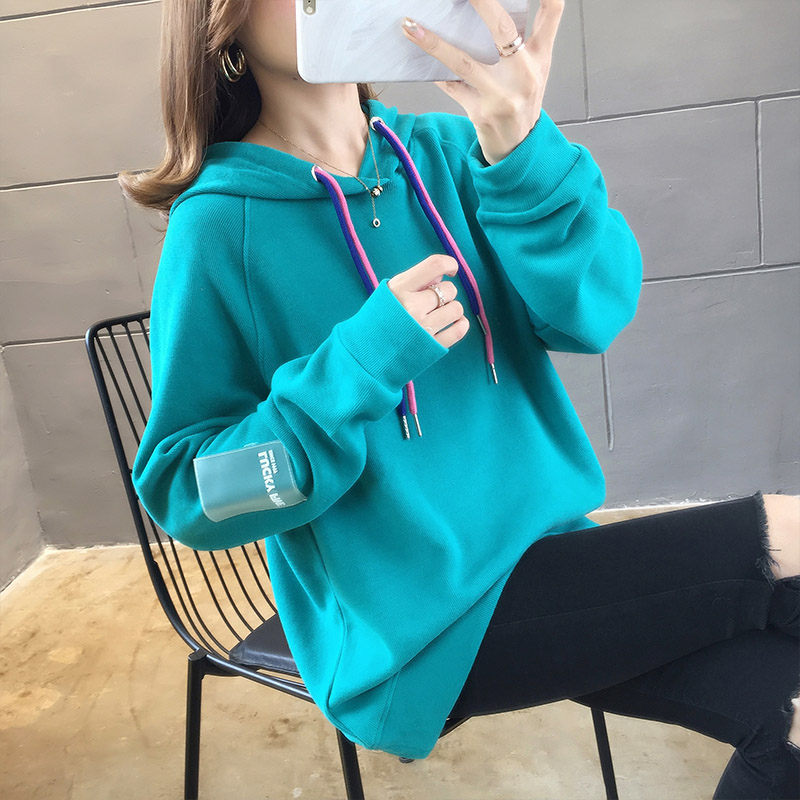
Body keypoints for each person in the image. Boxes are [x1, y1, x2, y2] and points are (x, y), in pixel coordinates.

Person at [119, 0, 800, 795]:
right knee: (787, 532)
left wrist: (523, 147)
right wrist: (355, 369)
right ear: (222, 22)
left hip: (555, 559)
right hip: (415, 629)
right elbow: (192, 493)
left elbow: (596, 311)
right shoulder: (218, 227)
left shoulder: (455, 152)